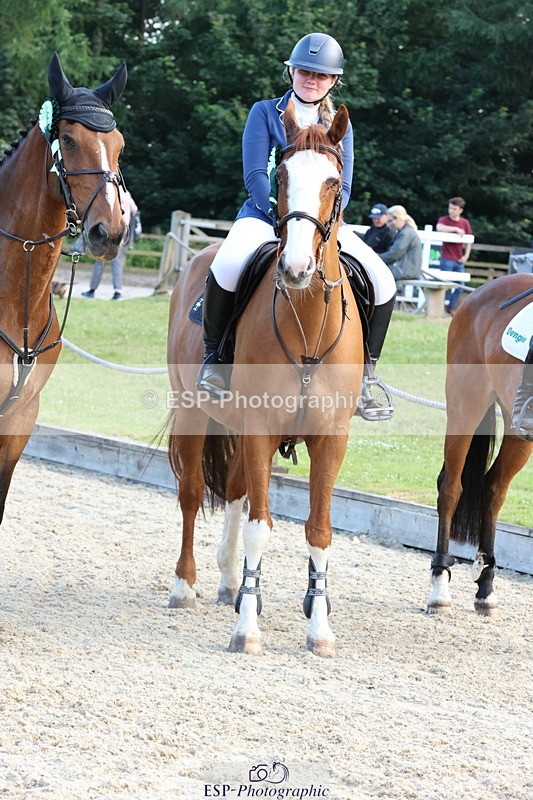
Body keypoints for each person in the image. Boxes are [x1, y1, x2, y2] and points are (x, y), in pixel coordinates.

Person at [197, 32, 397, 421]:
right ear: (291, 71)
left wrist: (317, 225)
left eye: (321, 76)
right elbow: (255, 173)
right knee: (226, 264)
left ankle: (367, 378)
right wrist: (281, 216)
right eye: (305, 71)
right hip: (265, 216)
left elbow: (346, 183)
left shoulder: (341, 124)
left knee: (383, 279)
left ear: (333, 81)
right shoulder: (264, 112)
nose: (312, 79)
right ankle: (215, 362)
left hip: (322, 225)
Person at [82, 189, 138, 301]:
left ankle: (92, 291)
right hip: (122, 232)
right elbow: (135, 210)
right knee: (117, 263)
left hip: (109, 231)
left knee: (100, 261)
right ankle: (118, 292)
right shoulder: (127, 194)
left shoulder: (111, 192)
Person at [436, 196, 473, 316]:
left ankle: (451, 306)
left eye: (454, 208)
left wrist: (466, 255)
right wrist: (455, 229)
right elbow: (439, 227)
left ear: (460, 210)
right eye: (450, 208)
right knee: (444, 285)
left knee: (460, 286)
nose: (451, 211)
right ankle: (439, 308)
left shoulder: (465, 223)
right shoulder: (444, 220)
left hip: (458, 258)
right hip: (447, 257)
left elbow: (469, 240)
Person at [379, 205, 422, 282]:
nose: (388, 224)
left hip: (405, 271)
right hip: (406, 270)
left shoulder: (406, 233)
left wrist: (373, 258)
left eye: (390, 221)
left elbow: (393, 255)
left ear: (396, 218)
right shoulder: (405, 231)